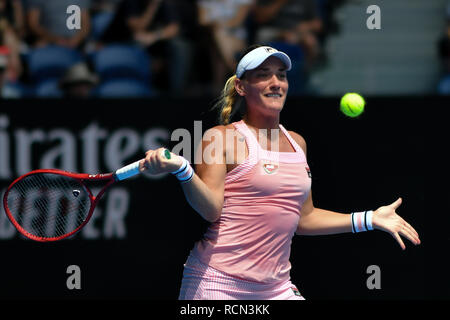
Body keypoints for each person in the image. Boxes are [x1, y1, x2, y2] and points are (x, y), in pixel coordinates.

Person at [139, 44, 421, 300]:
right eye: (263, 75)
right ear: (241, 86)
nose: (276, 83)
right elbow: (211, 210)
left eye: (281, 75)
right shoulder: (220, 138)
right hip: (218, 284)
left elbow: (304, 218)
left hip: (276, 288)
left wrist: (369, 218)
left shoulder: (297, 143)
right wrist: (183, 171)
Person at [26, 0, 91, 49]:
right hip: (48, 39)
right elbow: (33, 24)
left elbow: (85, 24)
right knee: (39, 48)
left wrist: (75, 40)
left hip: (76, 42)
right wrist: (54, 39)